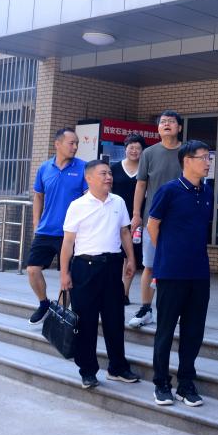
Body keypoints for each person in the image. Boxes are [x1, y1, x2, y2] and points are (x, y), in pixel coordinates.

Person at [59, 159, 141, 389]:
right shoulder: (77, 205)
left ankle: (118, 367)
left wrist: (131, 259)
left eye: (110, 174)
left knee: (115, 319)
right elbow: (68, 243)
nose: (109, 177)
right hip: (85, 268)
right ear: (89, 178)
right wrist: (64, 274)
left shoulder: (118, 202)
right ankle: (87, 371)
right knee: (86, 321)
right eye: (103, 174)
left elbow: (125, 233)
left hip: (112, 266)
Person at [148, 140, 215, 407]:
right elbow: (153, 226)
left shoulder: (207, 191)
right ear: (187, 161)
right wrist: (168, 252)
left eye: (209, 158)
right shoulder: (169, 191)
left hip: (199, 273)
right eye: (203, 158)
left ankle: (186, 383)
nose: (208, 163)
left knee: (193, 331)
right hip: (171, 273)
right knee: (165, 330)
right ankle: (161, 383)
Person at [26, 128, 87, 325]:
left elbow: (89, 199)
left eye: (77, 143)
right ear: (58, 144)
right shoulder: (44, 168)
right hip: (45, 230)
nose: (75, 147)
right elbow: (38, 195)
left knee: (67, 276)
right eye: (71, 143)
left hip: (70, 233)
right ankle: (44, 303)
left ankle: (59, 316)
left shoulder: (83, 168)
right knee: (32, 269)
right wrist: (36, 222)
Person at [129, 111, 184, 328]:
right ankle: (145, 309)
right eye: (163, 122)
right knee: (150, 265)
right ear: (158, 128)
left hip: (179, 222)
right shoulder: (149, 153)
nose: (166, 124)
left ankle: (176, 309)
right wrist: (136, 214)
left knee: (177, 267)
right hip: (152, 220)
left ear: (179, 127)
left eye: (171, 122)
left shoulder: (187, 152)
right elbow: (141, 184)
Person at [112, 134, 146, 304]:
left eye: (138, 148)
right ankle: (114, 289)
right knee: (115, 254)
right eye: (131, 147)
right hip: (115, 218)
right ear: (125, 149)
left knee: (129, 256)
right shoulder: (114, 168)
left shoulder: (145, 169)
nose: (134, 151)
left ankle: (124, 293)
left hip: (136, 220)